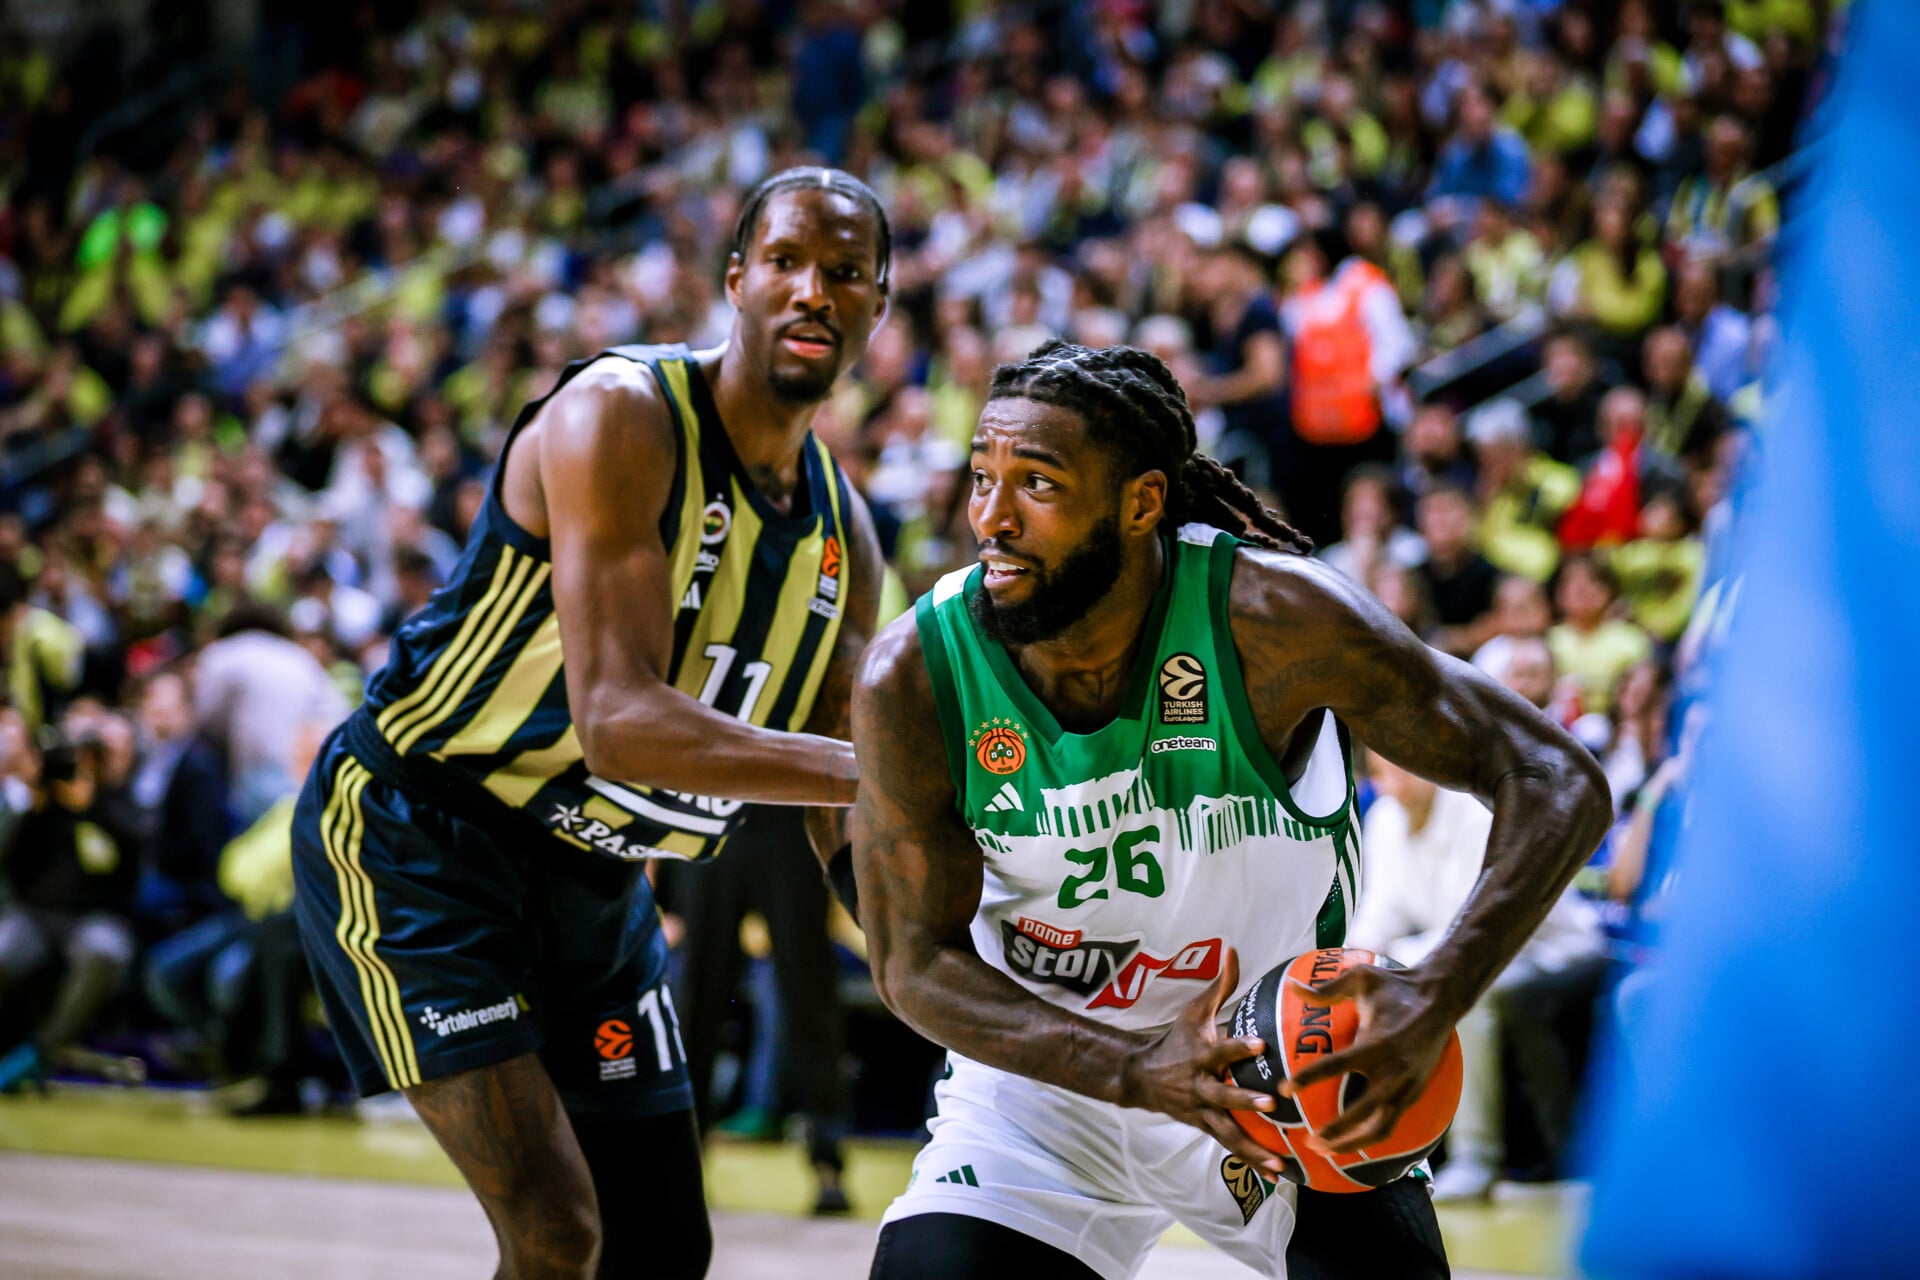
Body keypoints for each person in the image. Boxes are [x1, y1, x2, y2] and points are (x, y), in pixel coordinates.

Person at [850, 341, 1611, 1280]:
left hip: (1276, 1068)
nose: (990, 518)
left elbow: (1554, 774)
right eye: (981, 479)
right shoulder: (915, 673)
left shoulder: (1275, 622)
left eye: (1037, 485)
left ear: (1141, 503)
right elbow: (912, 963)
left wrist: (1440, 987)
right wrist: (1132, 1070)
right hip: (1045, 1085)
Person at [288, 168, 890, 1280]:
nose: (814, 290)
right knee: (557, 1228)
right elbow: (618, 720)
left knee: (663, 1246)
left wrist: (927, 944)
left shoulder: (844, 530)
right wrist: (890, 772)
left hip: (597, 874)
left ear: (879, 307)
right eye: (786, 262)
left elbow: (843, 811)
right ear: (736, 281)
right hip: (424, 837)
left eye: (846, 272)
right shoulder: (621, 412)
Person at [1350, 756, 1603, 1202]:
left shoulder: (1475, 813)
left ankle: (1476, 1157)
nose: (1395, 781)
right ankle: (1392, 1150)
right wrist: (1354, 960)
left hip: (1549, 949)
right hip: (1474, 951)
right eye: (1383, 771)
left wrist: (1391, 963)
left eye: (1403, 767)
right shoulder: (1385, 819)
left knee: (1466, 994)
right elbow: (1381, 909)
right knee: (1372, 989)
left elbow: (1469, 931)